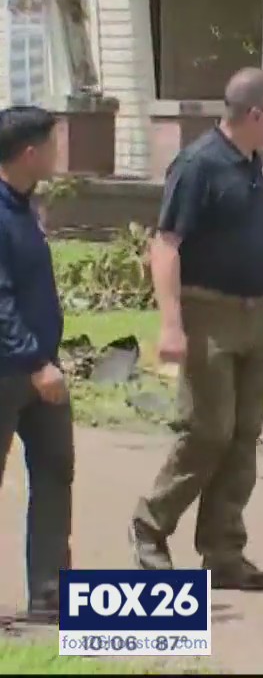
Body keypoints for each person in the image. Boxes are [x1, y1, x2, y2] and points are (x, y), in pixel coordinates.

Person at [129, 67, 263, 591]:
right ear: (256, 114)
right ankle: (150, 525)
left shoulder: (257, 163)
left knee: (243, 436)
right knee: (207, 431)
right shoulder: (198, 165)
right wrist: (172, 325)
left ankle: (223, 552)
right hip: (207, 313)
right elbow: (166, 244)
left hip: (253, 315)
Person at [0, 106, 71, 623]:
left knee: (54, 473)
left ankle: (49, 592)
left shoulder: (25, 207)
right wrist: (33, 361)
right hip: (13, 370)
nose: (57, 153)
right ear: (29, 153)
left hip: (42, 367)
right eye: (52, 144)